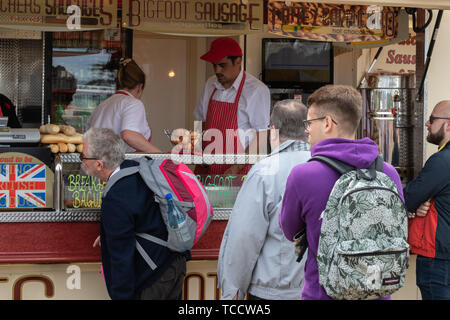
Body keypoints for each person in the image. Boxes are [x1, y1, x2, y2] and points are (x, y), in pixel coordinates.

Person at [278, 85, 404, 300]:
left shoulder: (303, 175)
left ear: (327, 123)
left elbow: (290, 232)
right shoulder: (388, 173)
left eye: (309, 122)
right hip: (378, 293)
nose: (306, 130)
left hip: (323, 294)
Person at [217, 99, 310, 300]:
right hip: (316, 289)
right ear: (307, 128)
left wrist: (233, 289)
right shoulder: (323, 166)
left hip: (272, 291)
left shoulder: (263, 171)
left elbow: (245, 236)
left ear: (273, 131)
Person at [82, 128, 185, 300]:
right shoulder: (137, 170)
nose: (82, 162)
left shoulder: (116, 196)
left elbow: (121, 259)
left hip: (154, 275)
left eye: (84, 157)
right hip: (173, 263)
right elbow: (146, 217)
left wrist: (121, 296)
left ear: (99, 164)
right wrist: (112, 232)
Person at [194, 37, 271, 176]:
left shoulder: (256, 90)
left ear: (238, 61)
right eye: (214, 65)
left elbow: (262, 136)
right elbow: (201, 123)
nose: (217, 70)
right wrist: (197, 152)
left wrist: (235, 168)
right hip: (208, 168)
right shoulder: (210, 84)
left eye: (222, 65)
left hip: (239, 172)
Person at [404, 100, 450, 300]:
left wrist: (415, 206)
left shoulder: (442, 161)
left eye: (431, 119)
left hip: (439, 262)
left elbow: (407, 198)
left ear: (448, 125)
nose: (427, 124)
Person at [87, 58, 161, 153]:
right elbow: (129, 136)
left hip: (97, 163)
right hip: (122, 165)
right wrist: (161, 155)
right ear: (140, 87)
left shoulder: (101, 106)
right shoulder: (133, 103)